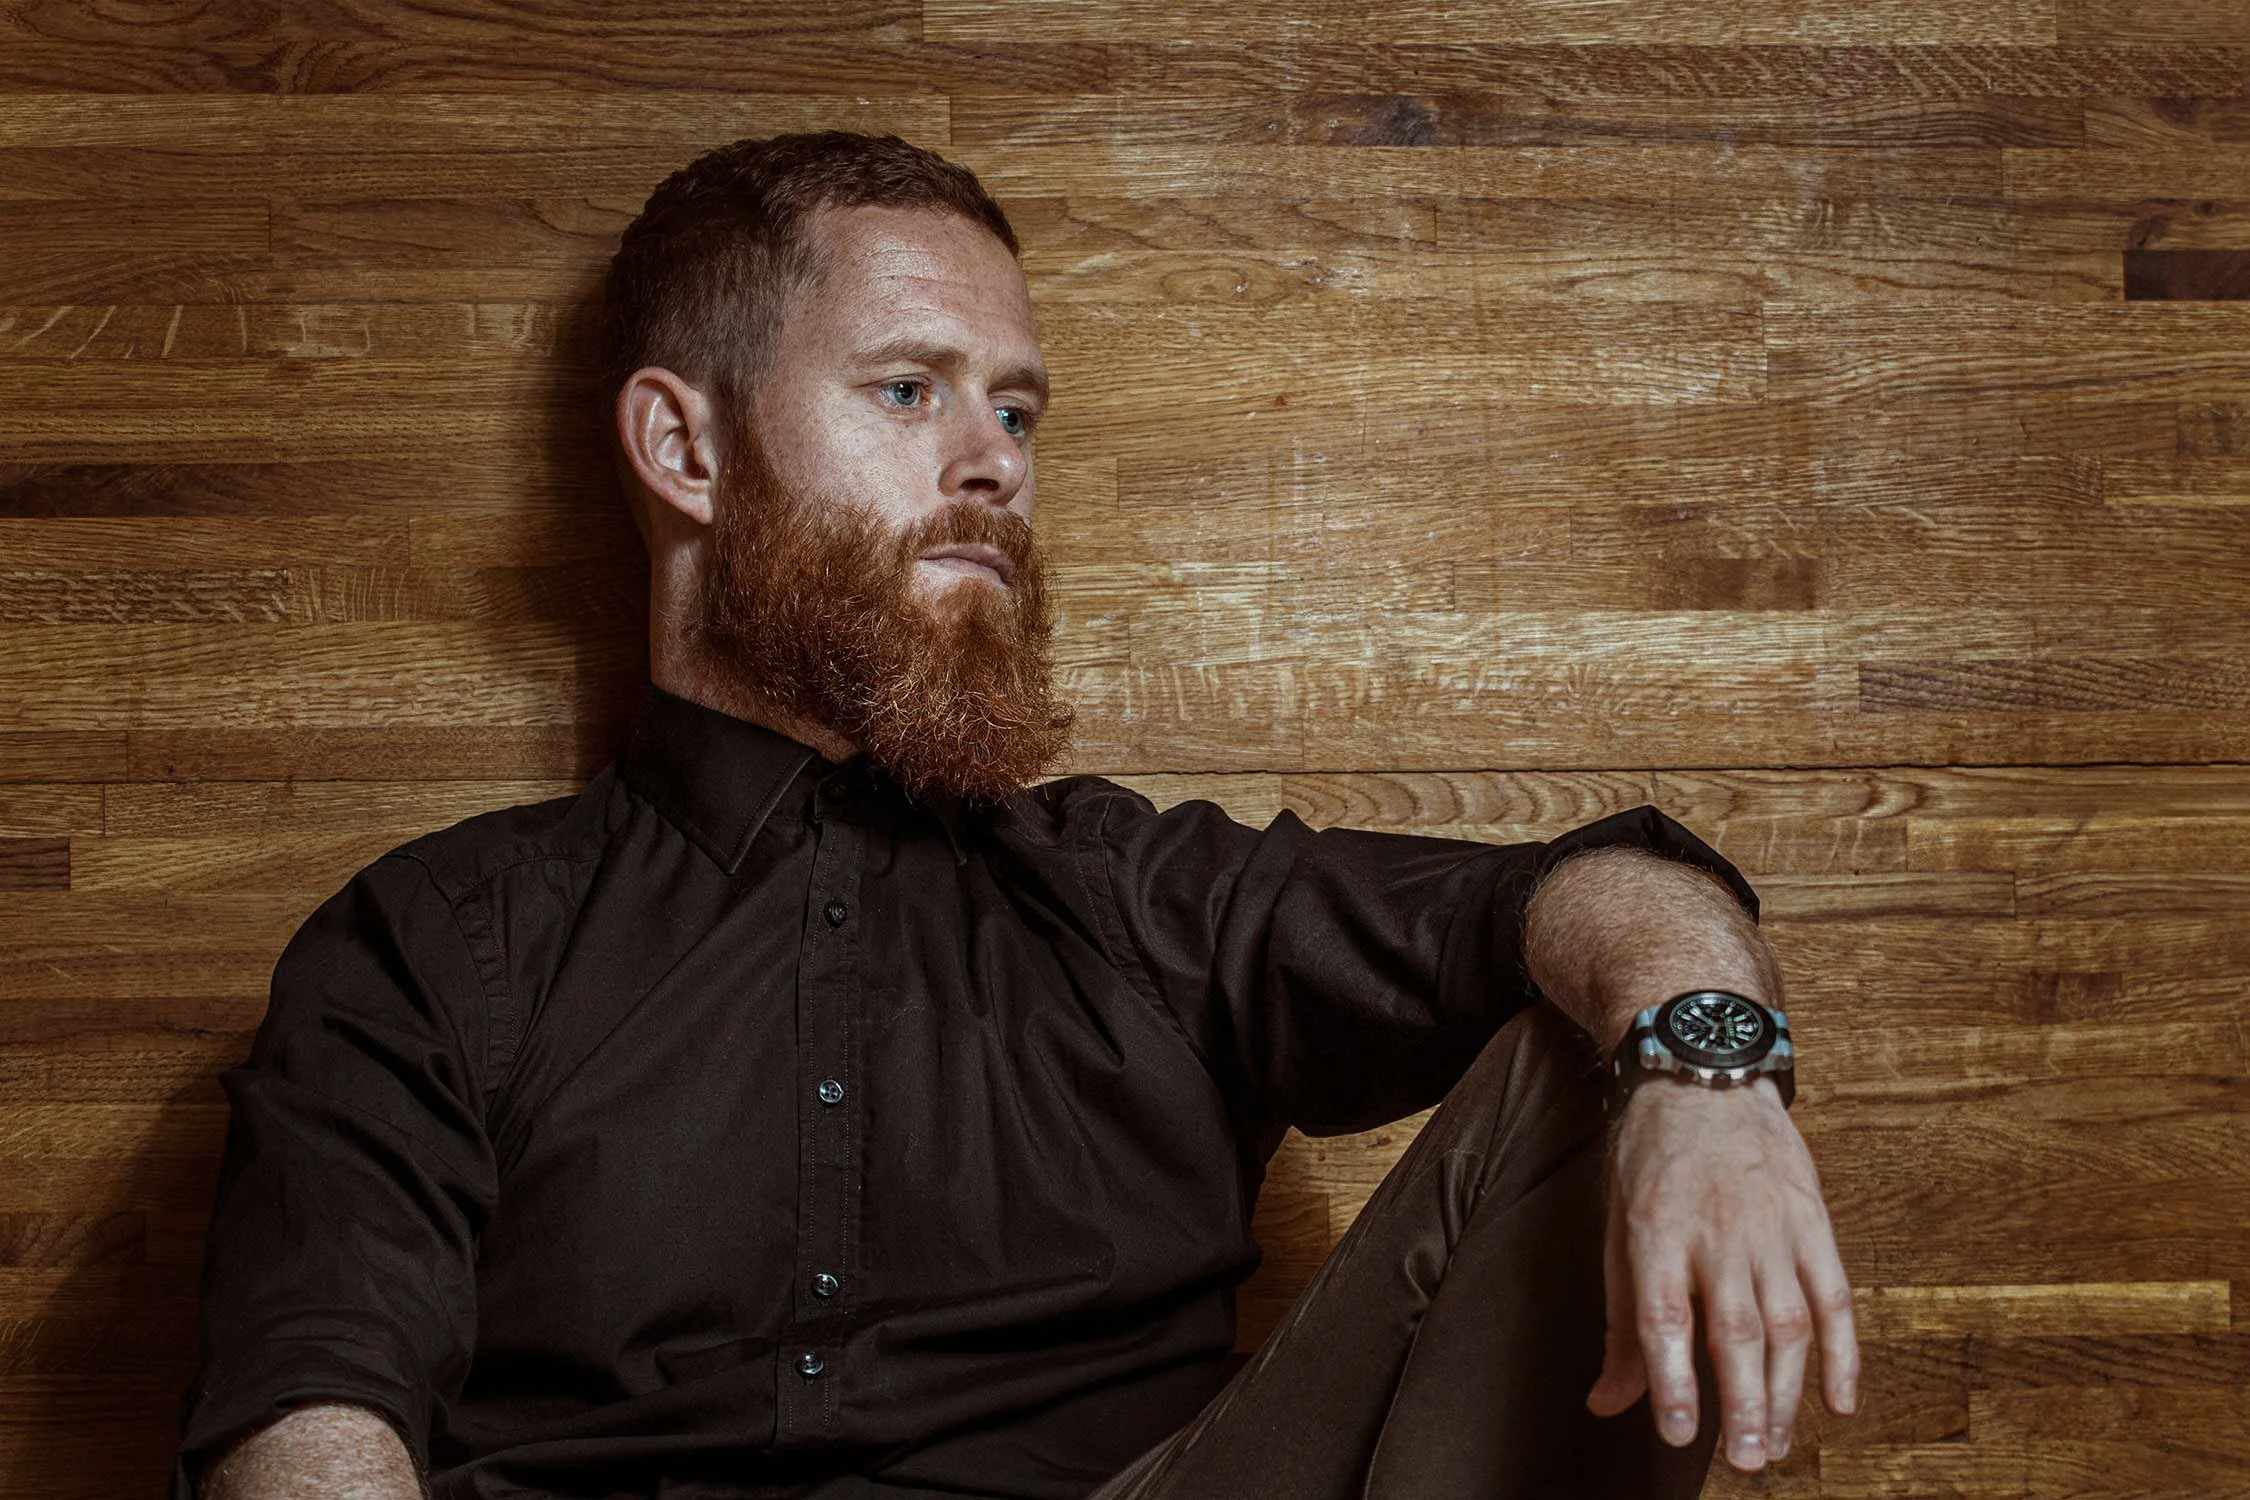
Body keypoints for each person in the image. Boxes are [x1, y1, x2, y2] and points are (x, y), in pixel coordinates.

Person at [175, 131, 1858, 1500]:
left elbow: (1590, 890)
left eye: (1018, 411)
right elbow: (309, 1411)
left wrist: (1706, 1073)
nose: (991, 463)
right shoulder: (437, 945)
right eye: (909, 392)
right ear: (683, 449)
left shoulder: (1133, 895)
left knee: (1614, 1029)